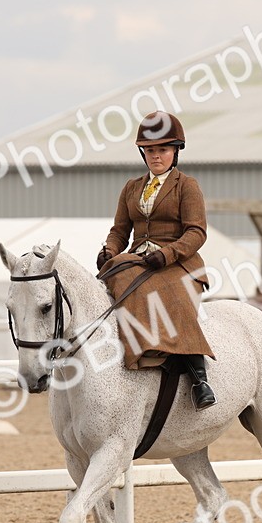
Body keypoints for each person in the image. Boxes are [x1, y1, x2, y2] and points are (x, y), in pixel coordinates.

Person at [96, 111, 217, 409]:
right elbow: (120, 231)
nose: (156, 156)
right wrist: (109, 251)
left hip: (178, 263)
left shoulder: (187, 186)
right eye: (150, 150)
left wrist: (166, 254)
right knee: (111, 278)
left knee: (170, 293)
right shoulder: (131, 187)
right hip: (139, 260)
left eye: (162, 150)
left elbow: (196, 232)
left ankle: (199, 376)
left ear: (175, 152)